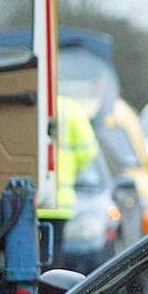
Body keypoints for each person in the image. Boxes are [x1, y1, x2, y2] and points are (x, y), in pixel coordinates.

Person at [38, 95, 100, 265]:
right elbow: (89, 152)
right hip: (59, 202)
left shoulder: (32, 105)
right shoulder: (71, 110)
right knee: (52, 258)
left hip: (26, 203)